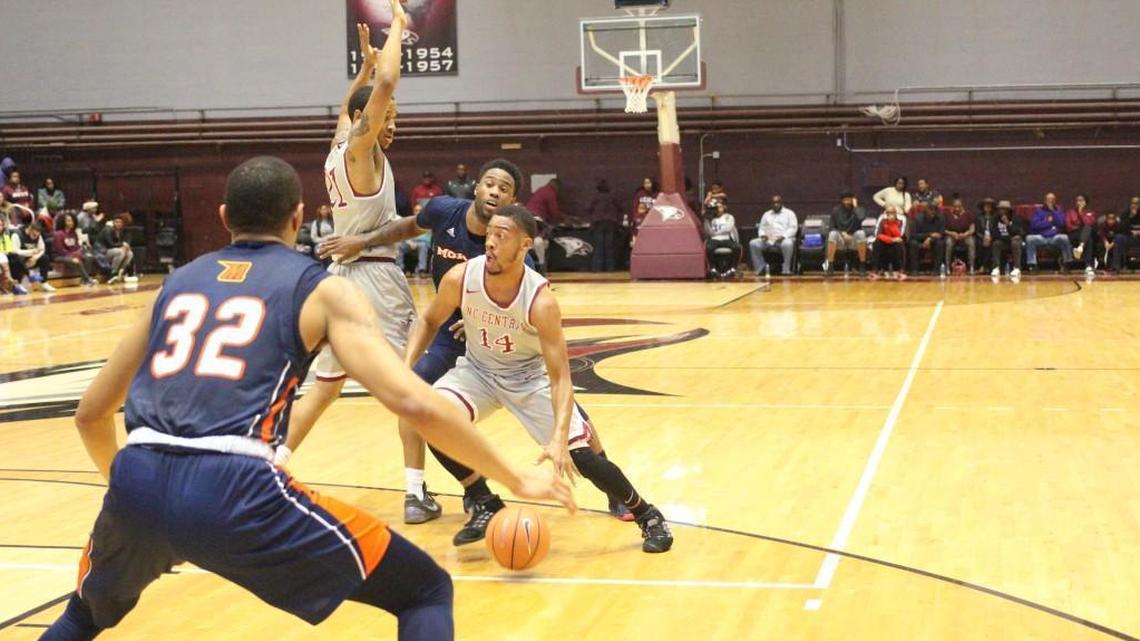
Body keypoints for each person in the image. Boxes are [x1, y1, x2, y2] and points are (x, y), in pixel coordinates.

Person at [37, 155, 575, 641]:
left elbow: (90, 414)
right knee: (424, 591)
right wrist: (517, 476)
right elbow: (411, 402)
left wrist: (139, 498)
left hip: (137, 476)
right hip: (235, 486)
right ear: (297, 217)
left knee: (80, 619)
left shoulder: (175, 284)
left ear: (224, 216)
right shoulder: (319, 288)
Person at [303, 159, 634, 535]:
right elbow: (406, 228)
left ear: (512, 201)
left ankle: (608, 480)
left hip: (499, 338)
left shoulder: (506, 242)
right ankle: (435, 493)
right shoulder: (444, 211)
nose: (494, 192)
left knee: (566, 410)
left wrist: (489, 310)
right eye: (489, 184)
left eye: (504, 188)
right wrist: (361, 242)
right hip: (450, 334)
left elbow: (527, 294)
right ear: (476, 187)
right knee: (416, 400)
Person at [405, 204, 672, 553]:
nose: (491, 243)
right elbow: (428, 320)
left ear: (525, 245)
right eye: (489, 235)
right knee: (429, 416)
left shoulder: (540, 301)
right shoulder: (461, 278)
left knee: (582, 458)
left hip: (529, 379)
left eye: (502, 236)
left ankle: (648, 515)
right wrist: (406, 367)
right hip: (478, 372)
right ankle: (482, 499)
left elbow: (561, 377)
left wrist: (559, 438)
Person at [281, 17, 437, 524]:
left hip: (340, 281)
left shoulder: (335, 150)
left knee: (322, 388)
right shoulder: (361, 153)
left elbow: (354, 100)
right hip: (374, 279)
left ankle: (272, 469)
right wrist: (398, 25)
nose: (391, 123)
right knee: (410, 384)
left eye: (392, 118)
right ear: (364, 120)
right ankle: (415, 493)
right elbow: (386, 84)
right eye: (385, 117)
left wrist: (365, 63)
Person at [749, 194, 797, 275]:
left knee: (788, 243)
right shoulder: (766, 214)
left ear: (781, 203)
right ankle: (760, 268)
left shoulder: (789, 213)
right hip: (769, 239)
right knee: (753, 243)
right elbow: (761, 228)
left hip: (783, 239)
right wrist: (762, 235)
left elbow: (793, 228)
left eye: (778, 202)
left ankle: (786, 269)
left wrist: (784, 236)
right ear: (771, 204)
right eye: (774, 203)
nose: (776, 204)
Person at [1026, 193, 1073, 273]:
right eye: (1048, 200)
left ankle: (1066, 264)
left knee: (1064, 238)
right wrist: (1048, 222)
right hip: (1042, 236)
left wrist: (1053, 212)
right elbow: (1034, 225)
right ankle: (1032, 265)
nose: (1050, 202)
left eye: (1052, 200)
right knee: (1029, 239)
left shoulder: (1058, 211)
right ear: (1044, 201)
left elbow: (1061, 223)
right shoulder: (1039, 211)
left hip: (1054, 237)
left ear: (1055, 201)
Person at [526, 178, 565, 272]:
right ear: (556, 186)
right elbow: (554, 211)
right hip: (538, 219)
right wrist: (563, 219)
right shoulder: (551, 193)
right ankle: (542, 266)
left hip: (528, 217)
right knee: (543, 241)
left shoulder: (541, 190)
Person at [584, 179, 621, 272]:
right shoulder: (612, 197)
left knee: (599, 246)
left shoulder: (595, 197)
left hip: (598, 223)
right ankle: (610, 268)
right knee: (609, 247)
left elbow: (588, 208)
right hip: (610, 223)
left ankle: (597, 268)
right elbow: (620, 208)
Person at [825, 192, 867, 274]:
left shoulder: (859, 209)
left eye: (849, 199)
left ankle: (862, 265)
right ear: (842, 200)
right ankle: (830, 265)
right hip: (841, 240)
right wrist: (842, 233)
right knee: (832, 234)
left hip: (853, 240)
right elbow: (831, 227)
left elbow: (861, 217)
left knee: (861, 233)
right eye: (845, 200)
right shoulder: (836, 210)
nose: (847, 202)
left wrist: (855, 206)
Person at [52, 212, 96, 287]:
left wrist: (78, 252)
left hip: (73, 254)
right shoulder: (58, 234)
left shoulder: (73, 233)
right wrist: (73, 256)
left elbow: (77, 247)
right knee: (76, 261)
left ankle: (83, 280)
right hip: (60, 256)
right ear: (63, 222)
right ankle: (87, 280)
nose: (71, 223)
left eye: (72, 220)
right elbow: (60, 250)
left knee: (89, 257)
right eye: (68, 221)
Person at [13, 222, 56, 292]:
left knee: (45, 258)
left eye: (38, 233)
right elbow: (15, 251)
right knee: (16, 258)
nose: (36, 235)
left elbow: (42, 249)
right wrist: (30, 252)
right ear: (29, 229)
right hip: (19, 259)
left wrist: (35, 257)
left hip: (32, 258)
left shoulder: (38, 236)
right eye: (34, 234)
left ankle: (44, 283)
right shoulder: (17, 234)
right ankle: (20, 283)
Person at [703, 198, 740, 278]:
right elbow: (708, 232)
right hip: (714, 239)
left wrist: (715, 233)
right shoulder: (710, 218)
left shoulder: (729, 217)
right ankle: (712, 268)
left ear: (724, 208)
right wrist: (707, 219)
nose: (719, 209)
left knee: (737, 247)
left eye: (720, 207)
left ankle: (733, 268)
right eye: (717, 207)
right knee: (708, 248)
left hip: (726, 238)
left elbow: (728, 228)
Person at [907, 203, 946, 275]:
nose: (932, 213)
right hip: (919, 240)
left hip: (934, 241)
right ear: (925, 211)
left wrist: (930, 239)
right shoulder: (917, 218)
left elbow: (941, 234)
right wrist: (929, 235)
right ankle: (914, 270)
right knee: (913, 243)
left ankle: (936, 270)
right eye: (930, 210)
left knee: (941, 243)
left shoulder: (940, 218)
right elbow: (913, 235)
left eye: (934, 211)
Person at [989, 200, 1023, 278]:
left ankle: (1017, 268)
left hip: (1014, 241)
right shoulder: (995, 219)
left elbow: (1018, 232)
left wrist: (1007, 224)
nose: (1002, 211)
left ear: (1008, 210)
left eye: (1004, 209)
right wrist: (1007, 238)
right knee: (996, 243)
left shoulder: (1015, 218)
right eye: (1000, 209)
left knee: (1015, 242)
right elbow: (994, 233)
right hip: (1002, 240)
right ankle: (996, 268)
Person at [870, 205, 906, 280]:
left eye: (892, 212)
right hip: (885, 242)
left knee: (899, 244)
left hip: (896, 243)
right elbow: (878, 234)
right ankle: (875, 270)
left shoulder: (902, 219)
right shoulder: (882, 218)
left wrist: (892, 224)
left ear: (896, 213)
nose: (890, 214)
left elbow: (900, 235)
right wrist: (891, 240)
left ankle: (900, 270)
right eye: (888, 213)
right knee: (876, 243)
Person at [1065, 194, 1097, 275]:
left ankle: (1088, 266)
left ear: (1086, 202)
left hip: (1085, 234)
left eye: (1081, 200)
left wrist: (1081, 213)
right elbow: (1068, 225)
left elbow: (1090, 223)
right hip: (1074, 234)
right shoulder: (1070, 212)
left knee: (1088, 237)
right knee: (1087, 233)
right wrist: (1078, 227)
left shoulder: (1090, 212)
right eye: (1078, 200)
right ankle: (1082, 249)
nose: (1079, 202)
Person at [96, 215, 134, 283]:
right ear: (113, 223)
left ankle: (121, 271)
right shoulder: (108, 229)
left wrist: (125, 247)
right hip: (102, 253)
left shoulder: (122, 231)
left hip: (112, 251)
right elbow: (110, 244)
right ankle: (113, 273)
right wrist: (122, 245)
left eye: (120, 222)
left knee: (130, 253)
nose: (118, 224)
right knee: (120, 252)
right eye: (116, 222)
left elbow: (125, 243)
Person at [943, 197, 976, 273]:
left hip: (965, 236)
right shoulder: (947, 215)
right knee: (948, 242)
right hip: (952, 235)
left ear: (962, 206)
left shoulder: (968, 214)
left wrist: (965, 234)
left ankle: (971, 266)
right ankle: (947, 267)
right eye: (955, 207)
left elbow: (972, 229)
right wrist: (951, 233)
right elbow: (943, 229)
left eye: (959, 206)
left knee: (971, 242)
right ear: (952, 207)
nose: (957, 209)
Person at [398, 203, 431, 276]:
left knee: (423, 246)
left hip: (422, 243)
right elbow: (404, 235)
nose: (418, 212)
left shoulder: (427, 222)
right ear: (413, 211)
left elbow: (429, 239)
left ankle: (421, 270)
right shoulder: (409, 222)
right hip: (409, 243)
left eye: (420, 210)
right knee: (400, 246)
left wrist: (416, 243)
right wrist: (409, 242)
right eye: (416, 210)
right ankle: (401, 269)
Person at [1114, 196, 1140, 272]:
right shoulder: (1126, 213)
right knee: (1118, 237)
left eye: (1136, 203)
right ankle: (1116, 266)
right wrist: (1131, 217)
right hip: (1131, 238)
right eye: (1132, 203)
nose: (1134, 205)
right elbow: (1121, 229)